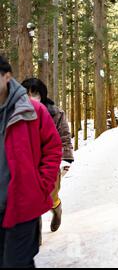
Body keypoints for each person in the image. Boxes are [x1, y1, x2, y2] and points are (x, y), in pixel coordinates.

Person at [0, 55, 62, 267]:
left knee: (16, 263)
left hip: (23, 204)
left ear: (7, 76)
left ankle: (55, 207)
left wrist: (39, 186)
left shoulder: (36, 111)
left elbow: (55, 145)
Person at [22, 78, 74, 233]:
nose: (31, 97)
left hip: (49, 163)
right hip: (26, 164)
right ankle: (34, 238)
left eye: (35, 93)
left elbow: (64, 136)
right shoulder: (15, 112)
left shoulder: (55, 113)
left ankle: (56, 208)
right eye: (27, 93)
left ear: (42, 95)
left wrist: (65, 160)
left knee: (50, 197)